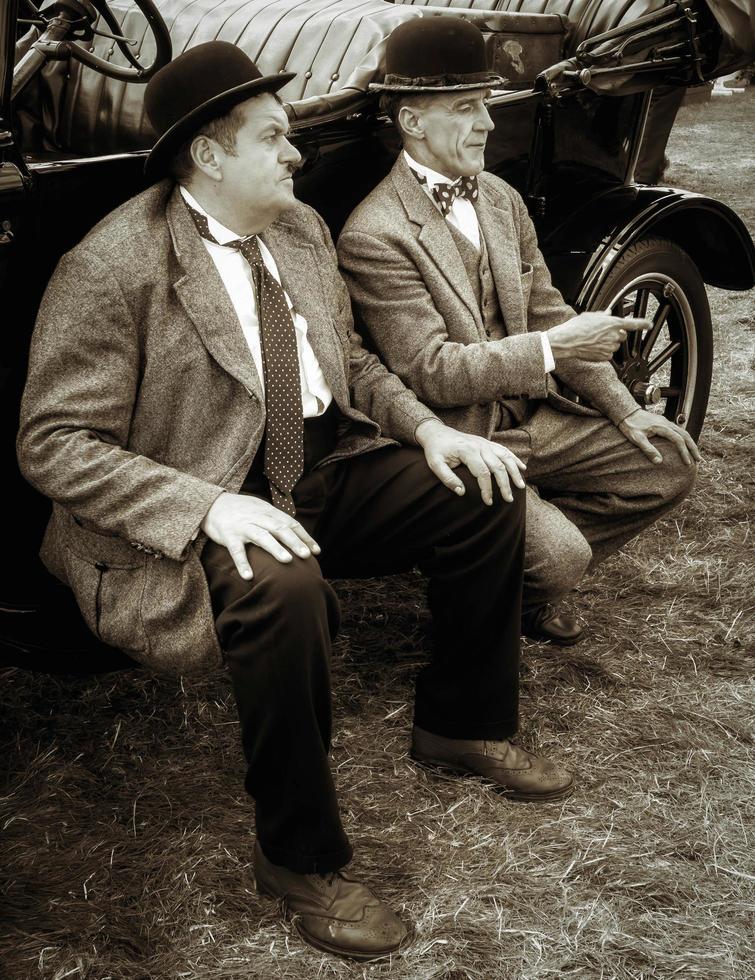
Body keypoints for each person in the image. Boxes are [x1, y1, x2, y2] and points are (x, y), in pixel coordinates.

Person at [16, 41, 574, 963]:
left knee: (478, 490)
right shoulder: (112, 266)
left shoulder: (299, 231)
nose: (295, 155)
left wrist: (429, 431)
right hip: (201, 491)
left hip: (313, 467)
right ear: (208, 153)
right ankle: (300, 858)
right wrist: (203, 508)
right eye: (274, 138)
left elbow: (346, 363)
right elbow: (54, 444)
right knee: (286, 589)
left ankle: (461, 723)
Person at [338, 19, 700, 647]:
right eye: (465, 108)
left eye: (485, 105)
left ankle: (510, 572)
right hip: (462, 437)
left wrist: (622, 406)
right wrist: (548, 351)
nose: (486, 124)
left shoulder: (500, 198)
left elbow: (550, 313)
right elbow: (432, 372)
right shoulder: (374, 234)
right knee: (562, 559)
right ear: (412, 122)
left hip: (538, 419)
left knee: (668, 464)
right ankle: (505, 578)